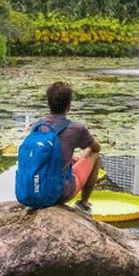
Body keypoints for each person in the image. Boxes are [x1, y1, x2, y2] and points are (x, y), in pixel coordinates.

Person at [41, 81, 101, 214]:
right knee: (95, 156)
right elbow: (96, 148)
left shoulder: (36, 126)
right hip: (59, 194)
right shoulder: (76, 128)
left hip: (35, 189)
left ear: (48, 103)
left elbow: (52, 152)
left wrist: (74, 158)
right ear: (69, 105)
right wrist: (86, 151)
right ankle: (83, 204)